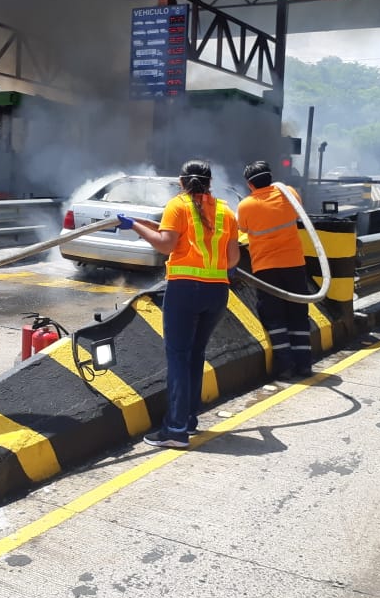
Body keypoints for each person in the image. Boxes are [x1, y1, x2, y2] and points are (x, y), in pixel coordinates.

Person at [119, 159, 239, 449]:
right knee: (195, 356)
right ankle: (188, 420)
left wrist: (134, 225)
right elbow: (233, 259)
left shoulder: (178, 205)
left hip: (185, 290)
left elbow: (165, 244)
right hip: (217, 293)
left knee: (178, 358)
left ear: (182, 182)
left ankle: (175, 430)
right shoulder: (225, 211)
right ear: (210, 183)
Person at [237, 160, 313, 379]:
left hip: (266, 268)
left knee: (274, 317)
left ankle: (285, 366)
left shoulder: (246, 205)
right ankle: (304, 365)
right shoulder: (289, 193)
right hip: (294, 264)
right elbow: (297, 212)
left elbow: (242, 229)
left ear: (249, 185)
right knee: (299, 314)